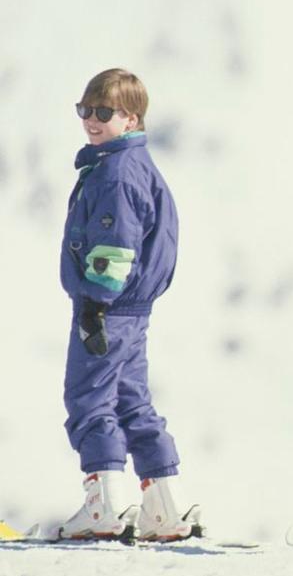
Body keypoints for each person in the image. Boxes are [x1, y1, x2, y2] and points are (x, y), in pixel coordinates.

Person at [57, 68, 196, 541]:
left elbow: (116, 245)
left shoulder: (116, 173)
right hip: (132, 311)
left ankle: (106, 506)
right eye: (85, 110)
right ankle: (164, 505)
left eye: (103, 112)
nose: (91, 121)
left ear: (131, 118)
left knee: (89, 398)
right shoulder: (131, 164)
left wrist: (95, 304)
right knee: (132, 400)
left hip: (108, 309)